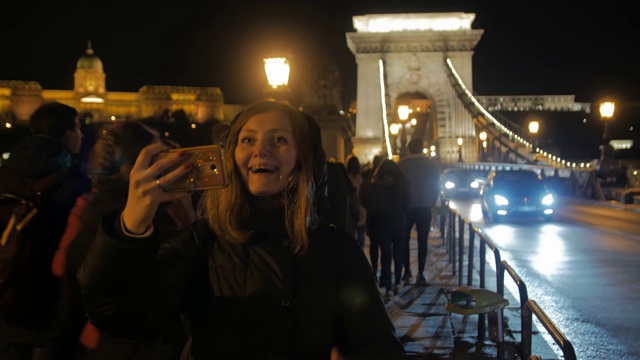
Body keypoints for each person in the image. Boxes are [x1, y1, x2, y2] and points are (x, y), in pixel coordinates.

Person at [77, 100, 405, 359]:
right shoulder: (199, 244)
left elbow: (375, 342)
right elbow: (118, 315)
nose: (261, 151)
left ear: (301, 160)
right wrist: (129, 227)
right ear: (230, 156)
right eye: (248, 139)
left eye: (279, 140)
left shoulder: (337, 250)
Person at [42, 120, 195, 360]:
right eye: (157, 159)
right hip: (141, 347)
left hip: (97, 343)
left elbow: (64, 277)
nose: (166, 165)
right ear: (129, 171)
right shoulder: (156, 217)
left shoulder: (88, 205)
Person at [0, 101, 91, 360]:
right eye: (78, 128)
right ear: (67, 135)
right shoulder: (75, 185)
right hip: (51, 312)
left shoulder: (5, 174)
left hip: (6, 299)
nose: (81, 135)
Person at [397, 138, 441, 286]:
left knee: (404, 240)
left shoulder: (401, 165)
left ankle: (407, 270)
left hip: (406, 208)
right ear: (421, 148)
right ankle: (421, 274)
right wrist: (433, 201)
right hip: (425, 207)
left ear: (409, 149)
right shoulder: (431, 165)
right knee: (423, 240)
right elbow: (436, 185)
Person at [367, 158, 410, 300]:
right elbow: (407, 203)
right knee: (398, 253)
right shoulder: (402, 184)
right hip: (399, 222)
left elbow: (373, 205)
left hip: (384, 223)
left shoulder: (377, 185)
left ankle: (388, 286)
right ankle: (398, 281)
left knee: (385, 255)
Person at [359, 155, 383, 280]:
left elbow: (362, 197)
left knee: (374, 246)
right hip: (384, 218)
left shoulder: (367, 178)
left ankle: (374, 270)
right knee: (384, 247)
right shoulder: (386, 178)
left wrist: (369, 207)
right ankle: (385, 275)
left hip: (372, 216)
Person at [345, 154, 366, 248]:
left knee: (351, 234)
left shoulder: (345, 178)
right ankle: (360, 251)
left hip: (350, 208)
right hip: (361, 207)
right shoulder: (361, 178)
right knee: (361, 232)